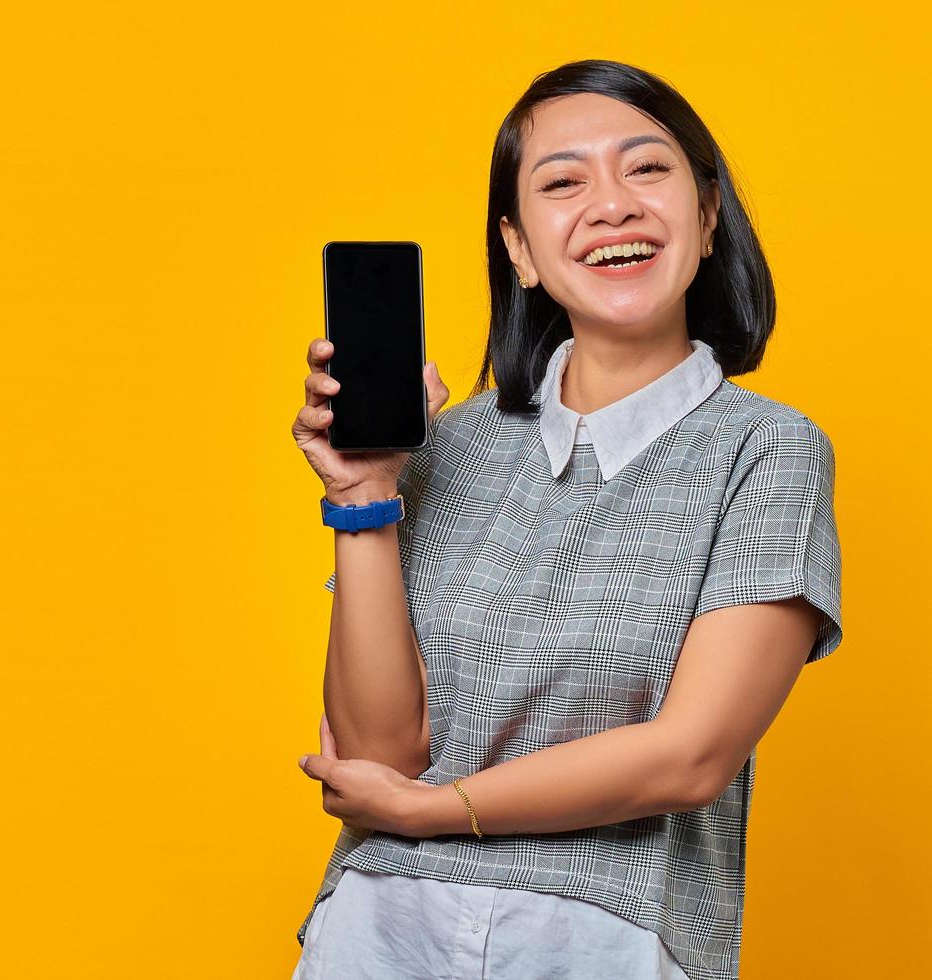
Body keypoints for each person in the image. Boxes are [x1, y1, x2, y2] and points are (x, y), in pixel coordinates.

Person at [288, 58, 843, 980]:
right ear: (520, 249)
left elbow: (689, 757)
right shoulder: (448, 446)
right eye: (563, 182)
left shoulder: (767, 450)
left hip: (602, 944)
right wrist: (364, 498)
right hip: (380, 932)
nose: (612, 204)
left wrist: (436, 809)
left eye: (648, 168)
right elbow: (381, 752)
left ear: (708, 216)